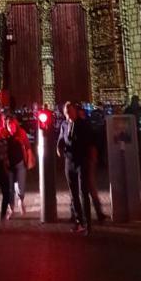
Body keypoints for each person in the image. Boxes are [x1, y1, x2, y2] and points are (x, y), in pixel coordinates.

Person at [57, 101, 92, 235]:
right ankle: (78, 222)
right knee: (73, 194)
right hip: (69, 162)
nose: (69, 114)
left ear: (75, 111)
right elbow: (61, 139)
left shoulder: (82, 124)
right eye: (66, 112)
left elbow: (87, 141)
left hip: (81, 161)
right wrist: (59, 148)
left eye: (70, 111)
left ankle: (88, 224)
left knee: (83, 192)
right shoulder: (64, 125)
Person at [76, 106, 106, 222]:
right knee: (82, 188)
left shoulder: (86, 127)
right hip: (81, 160)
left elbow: (93, 143)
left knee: (89, 187)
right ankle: (82, 214)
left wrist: (93, 157)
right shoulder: (81, 126)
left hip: (87, 160)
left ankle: (97, 213)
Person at [5, 113, 31, 215]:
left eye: (12, 125)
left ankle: (21, 201)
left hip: (20, 163)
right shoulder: (4, 135)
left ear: (16, 124)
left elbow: (28, 146)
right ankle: (10, 207)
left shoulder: (21, 133)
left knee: (20, 186)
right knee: (10, 188)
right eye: (8, 125)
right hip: (8, 166)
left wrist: (29, 158)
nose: (11, 127)